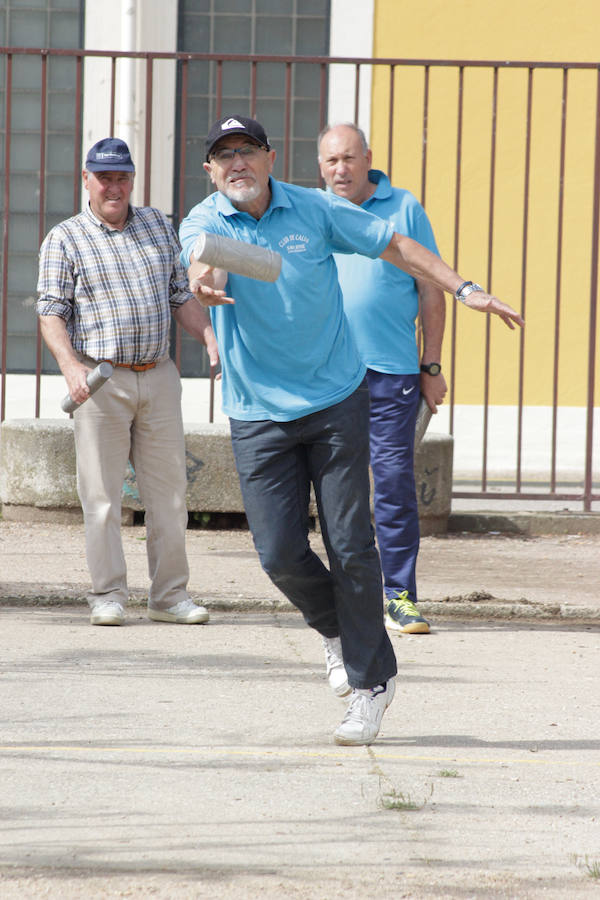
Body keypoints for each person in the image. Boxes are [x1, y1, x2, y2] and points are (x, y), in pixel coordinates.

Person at [179, 115, 523, 746]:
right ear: (210, 170)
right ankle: (337, 626)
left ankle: (370, 685)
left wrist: (464, 287)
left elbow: (394, 245)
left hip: (336, 399)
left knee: (351, 544)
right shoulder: (203, 222)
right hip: (257, 411)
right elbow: (207, 270)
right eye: (223, 155)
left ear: (270, 158)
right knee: (278, 554)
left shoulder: (314, 210)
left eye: (247, 152)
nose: (237, 164)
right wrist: (208, 282)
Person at [37, 137, 218, 628]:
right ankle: (108, 595)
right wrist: (72, 368)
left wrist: (208, 337)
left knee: (170, 497)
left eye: (121, 177)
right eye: (104, 177)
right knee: (101, 499)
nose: (113, 187)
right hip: (100, 381)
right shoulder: (65, 238)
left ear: (132, 179)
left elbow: (181, 295)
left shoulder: (160, 225)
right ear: (86, 181)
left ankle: (169, 596)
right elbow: (51, 313)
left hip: (158, 376)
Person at [318, 122, 445, 636]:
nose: (341, 170)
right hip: (329, 376)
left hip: (392, 374)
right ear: (319, 166)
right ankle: (350, 594)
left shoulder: (404, 207)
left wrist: (430, 365)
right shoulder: (314, 210)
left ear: (368, 157)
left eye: (349, 159)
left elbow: (432, 288)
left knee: (392, 485)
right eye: (331, 162)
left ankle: (399, 596)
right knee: (336, 490)